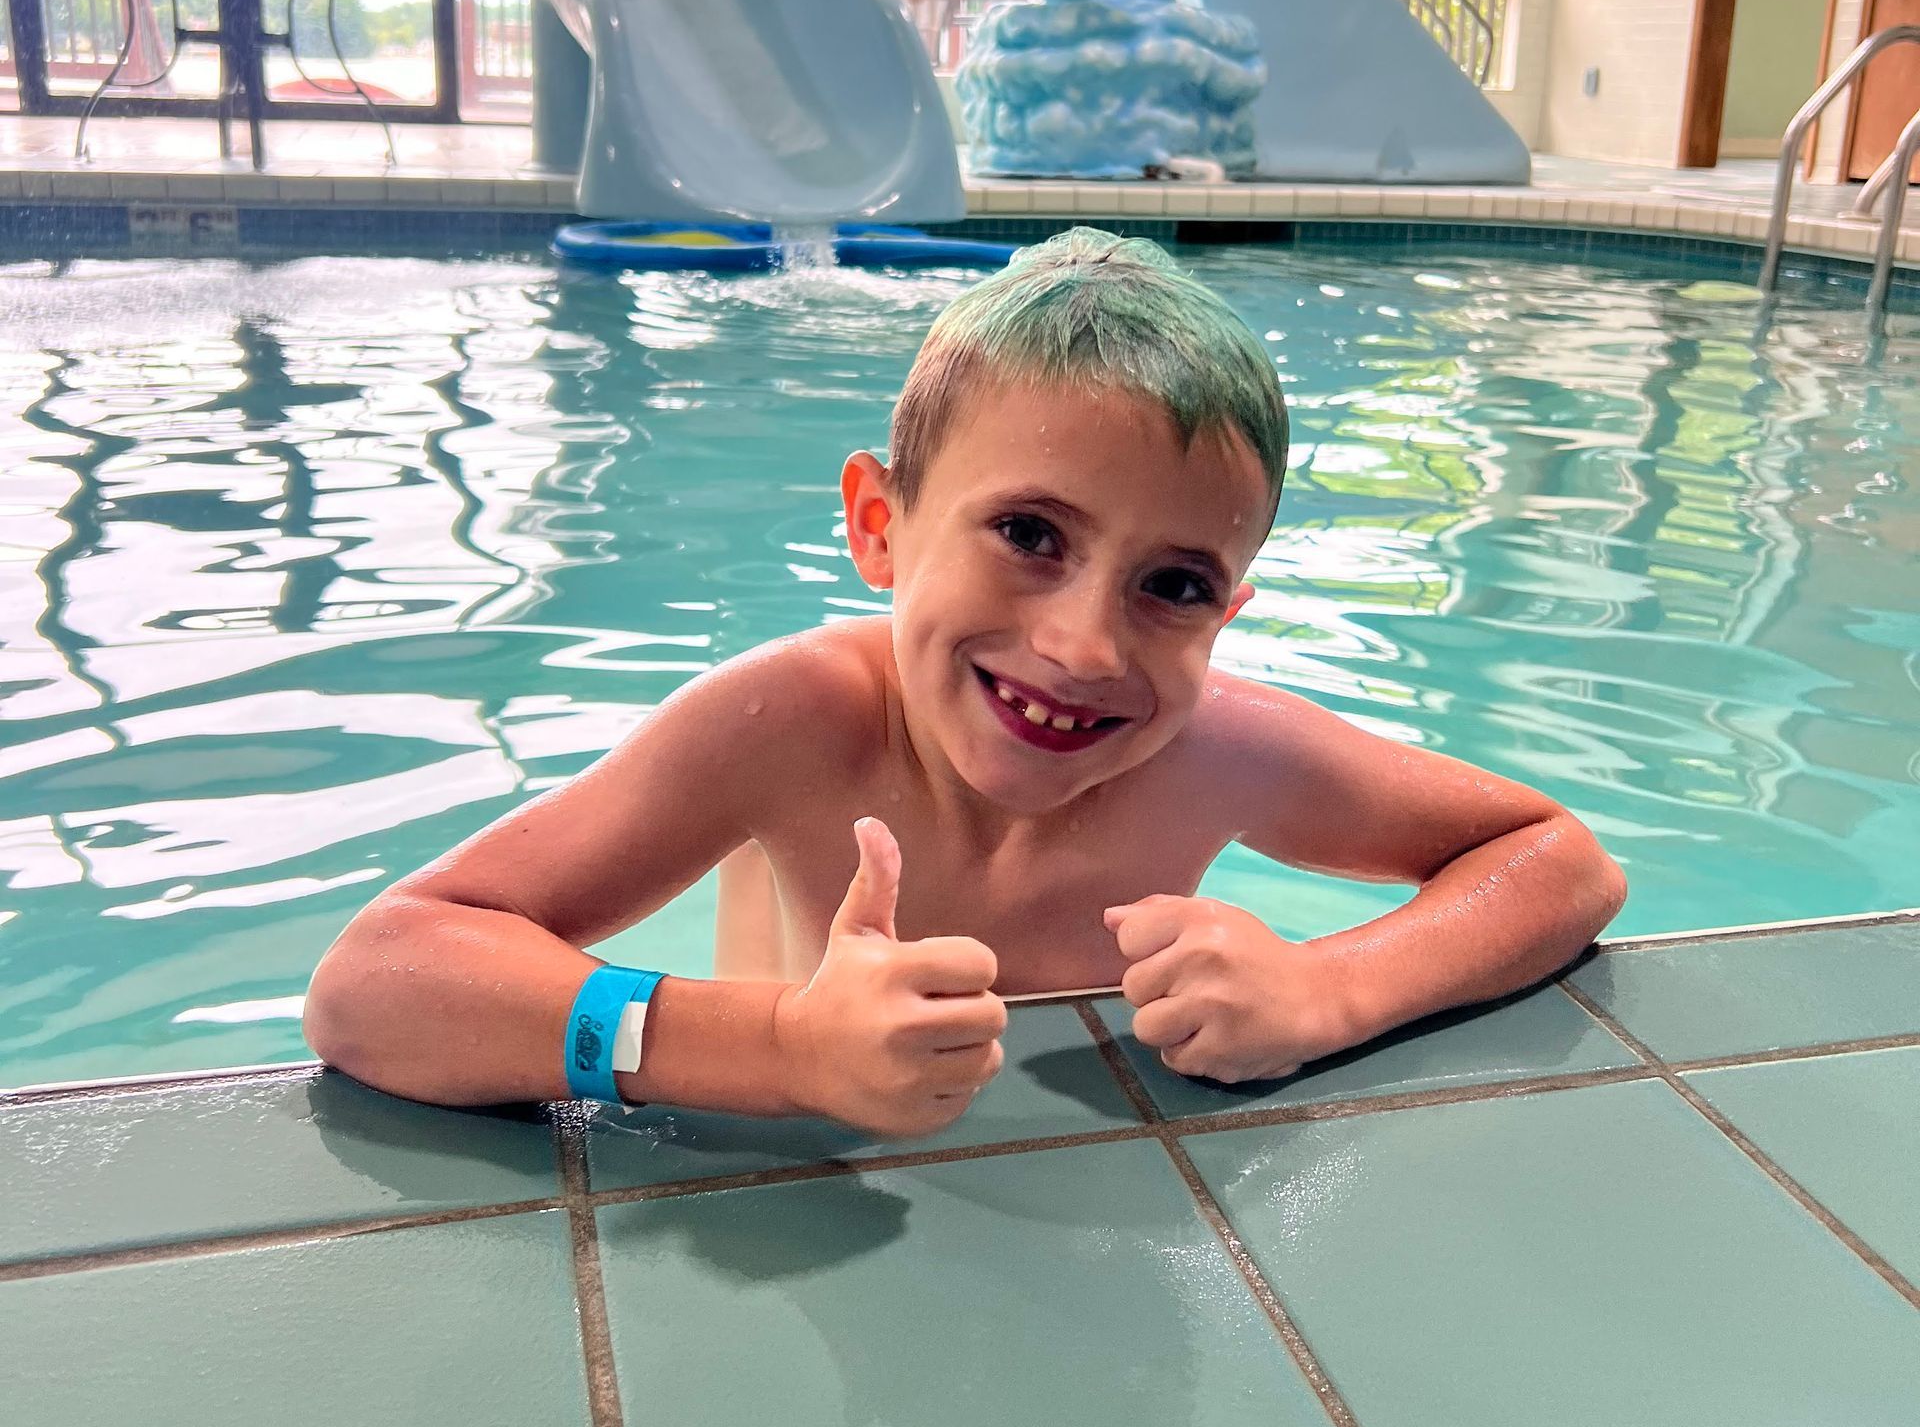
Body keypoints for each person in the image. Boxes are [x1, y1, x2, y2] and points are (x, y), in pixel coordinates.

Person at [306, 229, 1625, 1134]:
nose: (1086, 650)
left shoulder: (1216, 749)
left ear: (1231, 609)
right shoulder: (793, 726)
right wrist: (775, 1051)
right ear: (880, 527)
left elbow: (1557, 860)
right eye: (1031, 537)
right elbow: (380, 982)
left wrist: (1327, 992)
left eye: (1173, 585)